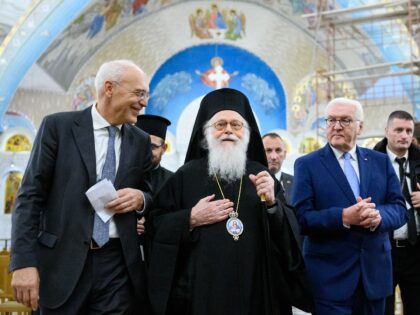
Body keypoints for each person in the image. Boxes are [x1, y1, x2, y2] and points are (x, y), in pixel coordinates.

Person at [147, 88, 313, 315]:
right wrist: (190, 218)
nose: (228, 130)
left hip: (256, 288)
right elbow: (155, 224)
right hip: (201, 292)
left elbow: (289, 234)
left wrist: (274, 206)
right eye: (220, 125)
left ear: (247, 133)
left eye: (236, 125)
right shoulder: (185, 176)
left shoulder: (262, 175)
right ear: (205, 134)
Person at [10, 59, 153, 314]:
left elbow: (150, 190)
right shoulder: (58, 127)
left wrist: (141, 198)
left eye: (146, 95)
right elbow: (30, 196)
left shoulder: (140, 141)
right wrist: (23, 262)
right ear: (109, 88)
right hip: (62, 262)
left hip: (116, 266)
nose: (144, 102)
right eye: (139, 93)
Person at [293, 97, 407, 315]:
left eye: (345, 120)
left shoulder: (380, 161)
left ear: (360, 127)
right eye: (331, 120)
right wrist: (344, 217)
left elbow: (399, 208)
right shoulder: (307, 164)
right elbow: (302, 218)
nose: (336, 126)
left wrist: (378, 216)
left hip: (374, 277)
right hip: (329, 279)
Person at [373, 110, 420, 315]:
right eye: (399, 130)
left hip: (416, 249)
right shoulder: (370, 162)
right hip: (384, 249)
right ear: (386, 131)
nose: (404, 135)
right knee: (384, 309)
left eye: (408, 130)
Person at [136, 114, 173, 195]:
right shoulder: (123, 174)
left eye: (153, 146)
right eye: (142, 145)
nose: (147, 152)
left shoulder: (172, 180)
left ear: (164, 148)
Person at [262, 133, 293, 204]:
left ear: (285, 154)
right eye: (268, 150)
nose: (273, 157)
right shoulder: (250, 183)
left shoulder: (296, 182)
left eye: (278, 150)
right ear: (260, 153)